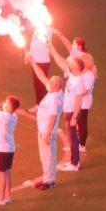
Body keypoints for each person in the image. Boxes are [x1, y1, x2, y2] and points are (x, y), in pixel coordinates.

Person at [48, 42, 87, 173]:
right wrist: (52, 47)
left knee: (73, 138)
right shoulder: (72, 75)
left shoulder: (79, 81)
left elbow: (79, 101)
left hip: (72, 113)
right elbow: (60, 61)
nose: (70, 64)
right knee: (71, 138)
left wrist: (74, 117)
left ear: (77, 67)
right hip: (68, 111)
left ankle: (75, 164)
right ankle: (72, 161)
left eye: (72, 63)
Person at [27, 57, 64, 191]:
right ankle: (48, 177)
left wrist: (47, 133)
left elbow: (53, 117)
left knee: (47, 156)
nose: (48, 82)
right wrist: (32, 61)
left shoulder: (54, 98)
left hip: (47, 131)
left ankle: (49, 181)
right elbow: (42, 76)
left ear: (56, 86)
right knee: (48, 155)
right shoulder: (55, 91)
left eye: (51, 81)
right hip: (45, 130)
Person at [27, 24, 52, 109]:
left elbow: (48, 41)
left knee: (42, 83)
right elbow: (33, 43)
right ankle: (38, 104)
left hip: (43, 61)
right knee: (36, 83)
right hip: (35, 61)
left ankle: (45, 105)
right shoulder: (36, 30)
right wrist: (28, 55)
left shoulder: (48, 30)